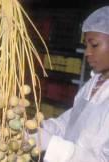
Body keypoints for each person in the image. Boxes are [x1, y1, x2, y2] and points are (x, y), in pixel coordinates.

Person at [28, 6, 109, 162]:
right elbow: (70, 123)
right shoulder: (94, 83)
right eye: (86, 45)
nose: (87, 52)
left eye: (95, 45)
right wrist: (42, 130)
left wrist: (52, 145)